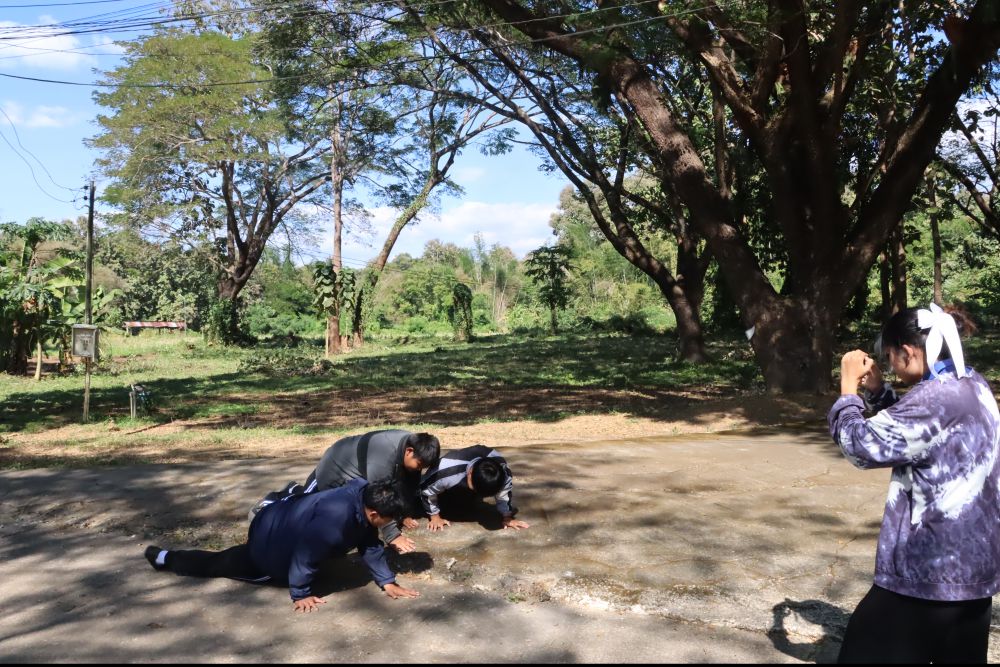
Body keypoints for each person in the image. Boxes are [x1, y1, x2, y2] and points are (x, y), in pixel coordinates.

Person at [829, 303, 1000, 663]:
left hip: (927, 574)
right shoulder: (971, 383)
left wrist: (847, 391)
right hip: (972, 575)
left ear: (908, 352)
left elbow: (859, 446)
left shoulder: (934, 399)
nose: (890, 366)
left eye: (890, 357)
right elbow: (919, 435)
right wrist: (879, 392)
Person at [144, 478, 420, 612]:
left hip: (277, 518)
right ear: (374, 512)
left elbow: (368, 542)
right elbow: (305, 555)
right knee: (220, 563)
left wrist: (387, 581)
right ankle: (165, 558)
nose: (389, 525)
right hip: (268, 548)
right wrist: (300, 593)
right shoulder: (335, 521)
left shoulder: (362, 494)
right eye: (388, 520)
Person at [250, 430, 440, 554]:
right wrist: (393, 536)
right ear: (408, 451)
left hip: (361, 468)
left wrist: (403, 514)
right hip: (336, 468)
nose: (420, 469)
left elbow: (407, 484)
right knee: (310, 501)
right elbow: (380, 498)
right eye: (419, 465)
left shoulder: (414, 444)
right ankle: (272, 502)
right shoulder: (383, 459)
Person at [419, 444, 530, 531]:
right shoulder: (446, 472)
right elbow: (425, 489)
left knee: (469, 504)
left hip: (467, 477)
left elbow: (504, 493)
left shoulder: (503, 473)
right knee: (452, 505)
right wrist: (434, 516)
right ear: (470, 472)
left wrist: (507, 517)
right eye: (474, 488)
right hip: (449, 484)